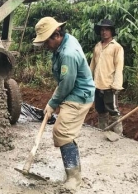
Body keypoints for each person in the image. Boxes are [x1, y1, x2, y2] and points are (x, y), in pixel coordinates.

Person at [32, 17, 95, 191]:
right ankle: (74, 170)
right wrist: (54, 101)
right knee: (65, 132)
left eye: (46, 42)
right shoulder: (64, 43)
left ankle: (74, 178)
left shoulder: (68, 53)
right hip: (73, 91)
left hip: (78, 95)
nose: (45, 46)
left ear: (57, 35)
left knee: (62, 132)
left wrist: (53, 103)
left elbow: (67, 83)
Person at [89, 19, 124, 135]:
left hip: (110, 85)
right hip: (97, 84)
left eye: (107, 29)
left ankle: (119, 134)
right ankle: (102, 132)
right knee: (100, 110)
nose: (104, 32)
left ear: (111, 31)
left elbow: (119, 66)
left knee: (113, 110)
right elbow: (92, 65)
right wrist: (88, 80)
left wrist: (117, 84)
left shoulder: (116, 47)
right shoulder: (97, 46)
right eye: (102, 30)